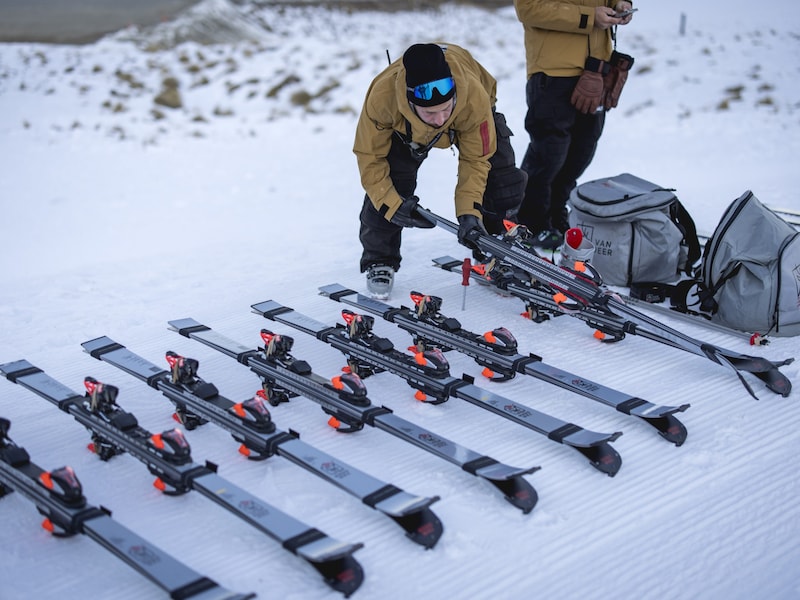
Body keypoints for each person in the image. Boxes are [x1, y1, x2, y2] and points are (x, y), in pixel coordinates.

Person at [354, 42, 527, 298]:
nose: (440, 120)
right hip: (405, 131)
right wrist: (392, 204)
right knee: (388, 187)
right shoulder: (383, 98)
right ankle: (380, 260)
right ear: (411, 103)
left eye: (446, 109)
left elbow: (476, 160)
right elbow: (371, 159)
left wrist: (469, 213)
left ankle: (494, 243)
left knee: (501, 176)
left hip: (471, 114)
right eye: (430, 112)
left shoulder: (472, 96)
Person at [513, 0, 635, 249]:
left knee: (581, 151)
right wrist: (590, 17)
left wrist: (620, 5)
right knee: (549, 154)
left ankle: (556, 218)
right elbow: (529, 9)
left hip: (598, 69)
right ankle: (529, 223)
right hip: (553, 72)